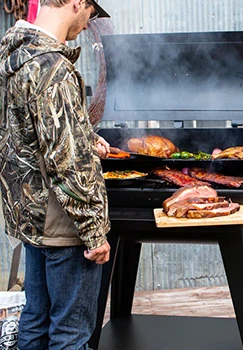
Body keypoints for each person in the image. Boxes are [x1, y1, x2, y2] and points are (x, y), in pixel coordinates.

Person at [0, 0, 112, 349]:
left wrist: (83, 135)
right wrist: (94, 235)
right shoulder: (54, 69)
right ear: (77, 3)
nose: (87, 22)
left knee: (35, 320)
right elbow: (70, 164)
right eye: (90, 13)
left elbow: (25, 129)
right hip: (64, 224)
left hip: (30, 218)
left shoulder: (14, 57)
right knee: (71, 333)